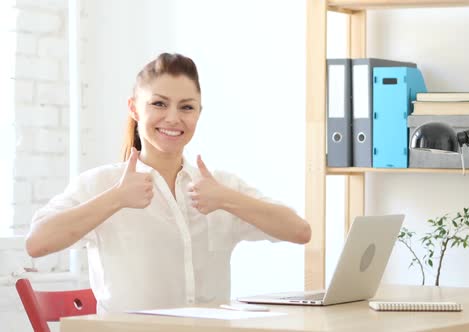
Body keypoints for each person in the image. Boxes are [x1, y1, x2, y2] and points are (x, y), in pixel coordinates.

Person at [25, 53, 311, 313]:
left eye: (186, 107)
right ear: (134, 109)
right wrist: (117, 199)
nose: (173, 118)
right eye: (159, 104)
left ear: (199, 113)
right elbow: (37, 243)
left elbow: (299, 231)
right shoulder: (103, 184)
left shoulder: (218, 186)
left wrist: (226, 199)